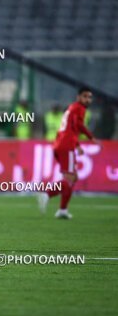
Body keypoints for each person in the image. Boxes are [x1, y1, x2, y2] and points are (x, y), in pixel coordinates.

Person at [37, 87, 100, 219]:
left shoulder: (71, 108)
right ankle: (47, 194)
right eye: (85, 96)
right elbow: (79, 125)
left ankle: (62, 210)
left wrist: (77, 145)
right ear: (78, 97)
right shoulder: (79, 108)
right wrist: (91, 137)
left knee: (73, 177)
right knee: (70, 178)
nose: (88, 100)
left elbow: (69, 129)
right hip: (66, 146)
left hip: (61, 144)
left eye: (90, 97)